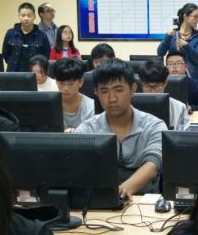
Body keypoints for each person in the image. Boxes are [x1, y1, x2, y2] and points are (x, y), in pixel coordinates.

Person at [74, 59, 167, 198]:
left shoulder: (154, 125)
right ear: (96, 92)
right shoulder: (88, 129)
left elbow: (153, 164)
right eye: (104, 91)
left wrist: (121, 192)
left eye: (118, 90)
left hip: (144, 202)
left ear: (133, 89)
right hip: (100, 201)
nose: (112, 98)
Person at [157, 3, 198, 83]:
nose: (197, 20)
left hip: (192, 78)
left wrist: (187, 46)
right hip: (173, 77)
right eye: (195, 17)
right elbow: (160, 53)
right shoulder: (172, 34)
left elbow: (197, 59)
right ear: (185, 16)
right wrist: (167, 37)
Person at [138, 60, 190, 131]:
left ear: (165, 83)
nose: (152, 92)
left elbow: (182, 136)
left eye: (156, 86)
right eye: (148, 86)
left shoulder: (179, 107)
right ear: (141, 83)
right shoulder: (130, 108)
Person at [2, 2, 51, 72]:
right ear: (19, 16)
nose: (26, 18)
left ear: (34, 17)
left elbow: (45, 57)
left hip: (34, 73)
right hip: (13, 73)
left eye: (29, 15)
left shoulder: (42, 36)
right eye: (23, 15)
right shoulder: (10, 33)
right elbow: (5, 54)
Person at [53, 58, 94, 131]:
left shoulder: (91, 107)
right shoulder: (50, 106)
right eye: (61, 83)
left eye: (71, 84)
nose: (65, 88)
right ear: (56, 81)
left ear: (81, 82)